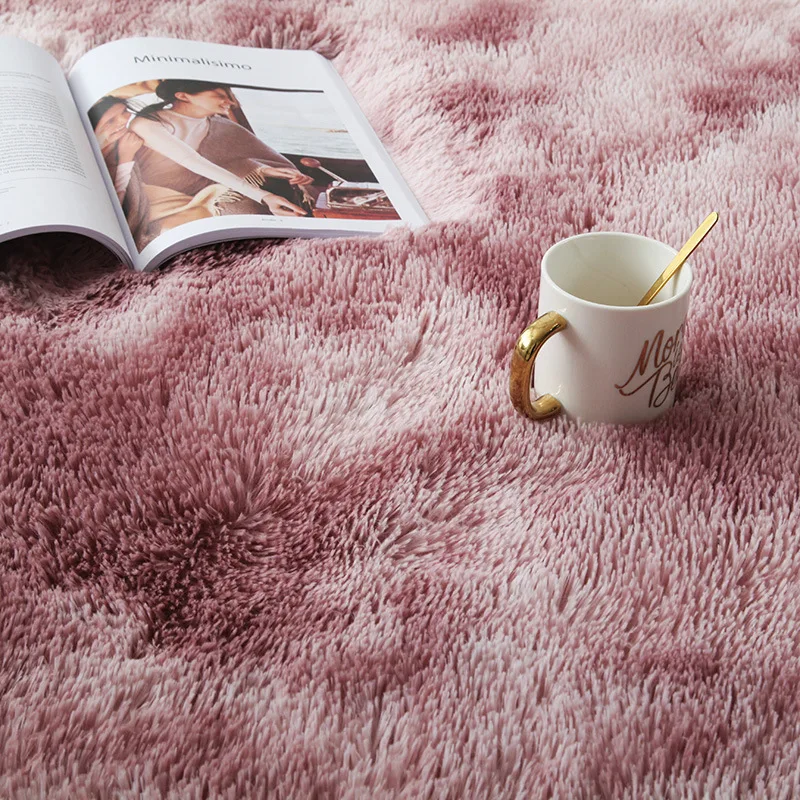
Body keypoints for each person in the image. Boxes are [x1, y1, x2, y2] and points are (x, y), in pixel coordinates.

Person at [128, 80, 313, 220]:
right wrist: (265, 197)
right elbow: (194, 162)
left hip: (208, 184)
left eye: (229, 95)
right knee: (248, 209)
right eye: (219, 95)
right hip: (160, 193)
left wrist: (267, 170)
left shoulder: (220, 125)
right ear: (183, 96)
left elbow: (234, 159)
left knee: (280, 186)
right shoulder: (148, 123)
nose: (230, 102)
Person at [89, 96, 226, 250]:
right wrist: (125, 158)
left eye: (124, 111)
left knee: (198, 215)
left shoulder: (130, 137)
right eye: (110, 121)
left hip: (153, 198)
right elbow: (114, 210)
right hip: (128, 213)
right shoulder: (94, 156)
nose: (123, 120)